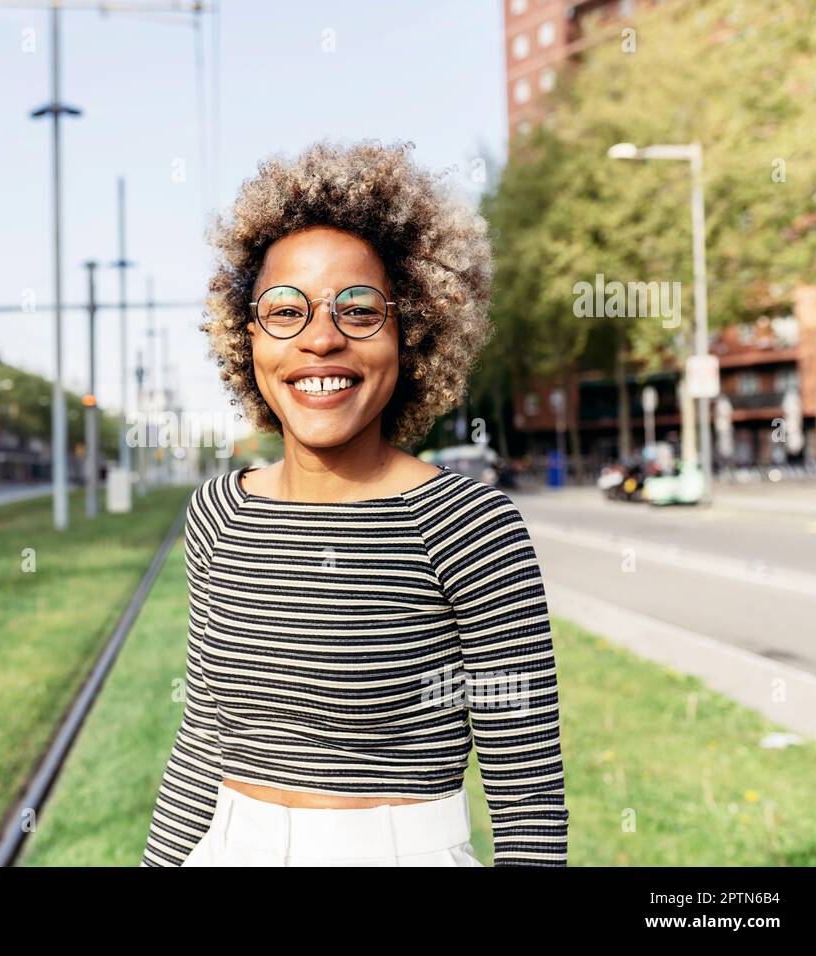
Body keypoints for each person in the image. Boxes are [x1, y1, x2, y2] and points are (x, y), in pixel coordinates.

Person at [139, 139, 569, 867]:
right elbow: (204, 739)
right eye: (285, 311)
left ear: (412, 332)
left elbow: (526, 793)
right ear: (249, 339)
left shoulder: (473, 528)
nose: (321, 340)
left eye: (359, 310)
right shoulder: (219, 511)